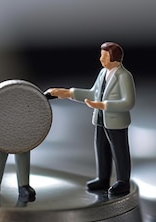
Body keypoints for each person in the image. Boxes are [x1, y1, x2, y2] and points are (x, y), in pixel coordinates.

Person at [46, 42, 135, 196]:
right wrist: (68, 93)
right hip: (100, 119)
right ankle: (103, 178)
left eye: (104, 56)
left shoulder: (124, 76)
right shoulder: (102, 73)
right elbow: (93, 93)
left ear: (114, 58)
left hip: (115, 120)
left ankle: (123, 181)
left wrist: (103, 105)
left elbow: (129, 102)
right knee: (101, 149)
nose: (100, 59)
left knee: (119, 151)